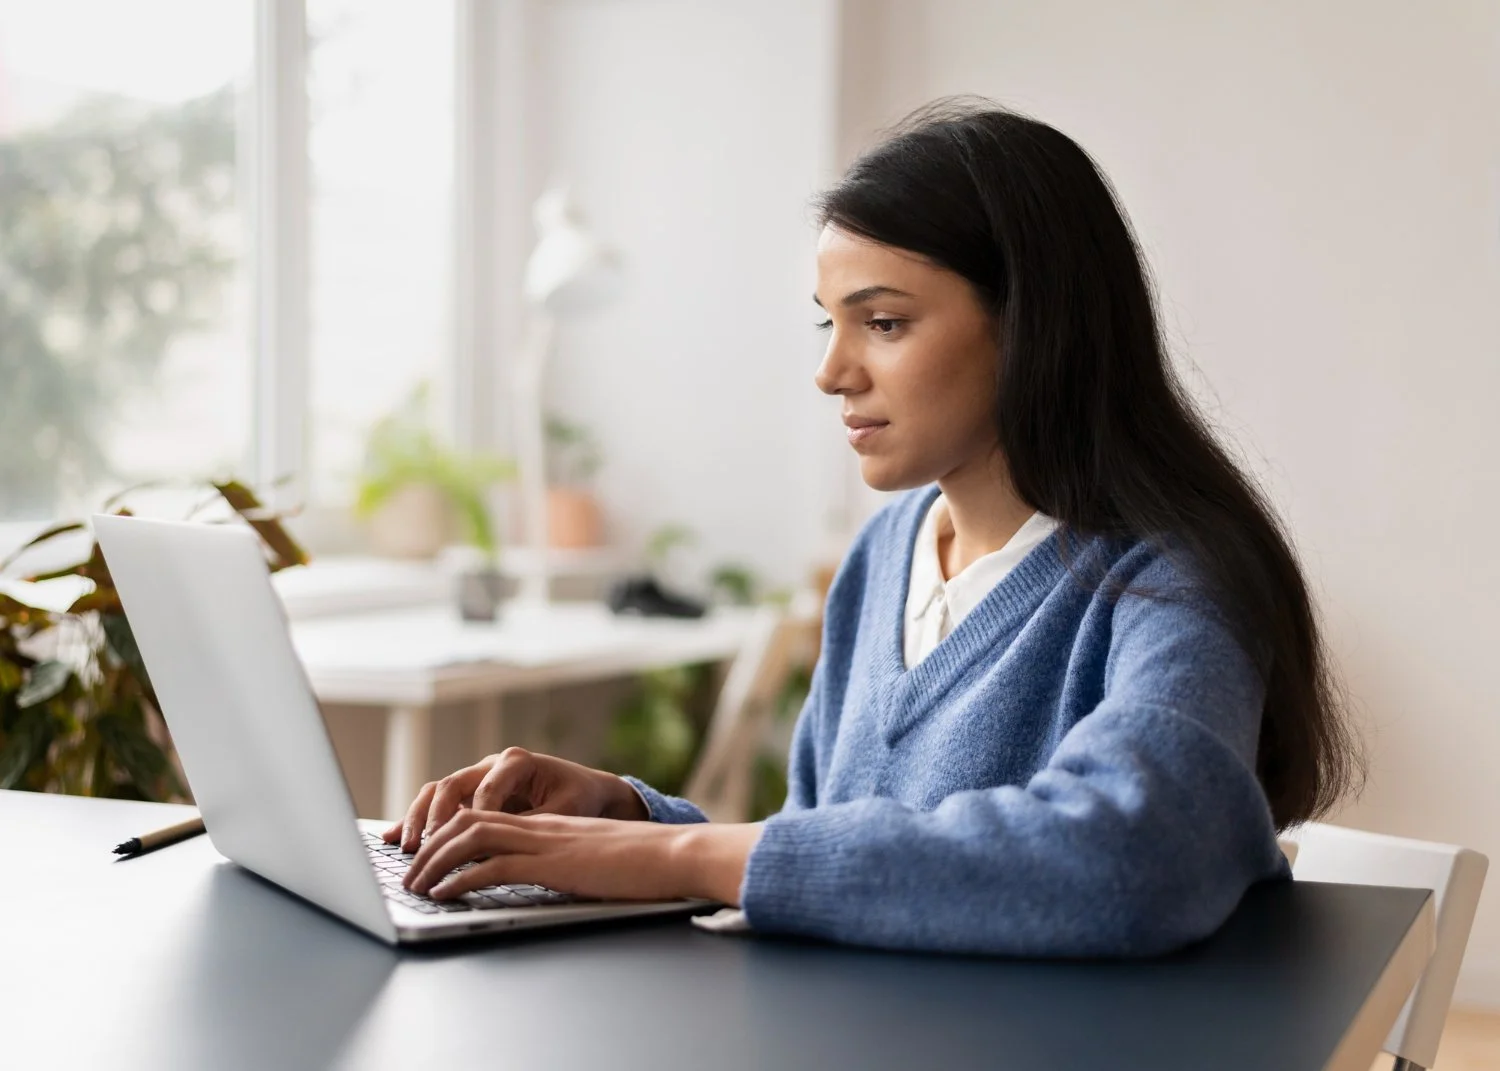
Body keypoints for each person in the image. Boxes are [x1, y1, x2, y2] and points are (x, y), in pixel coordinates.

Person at [388, 98, 1363, 956]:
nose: (833, 372)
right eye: (829, 323)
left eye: (884, 323)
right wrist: (628, 815)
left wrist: (669, 850)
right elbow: (830, 843)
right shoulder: (883, 556)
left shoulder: (1174, 581)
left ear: (1034, 327)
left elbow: (1134, 858)